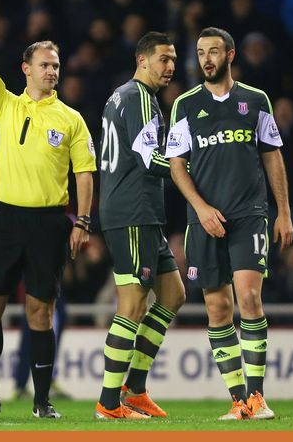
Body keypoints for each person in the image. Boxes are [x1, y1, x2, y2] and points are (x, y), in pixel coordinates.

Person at [0, 0, 97, 418]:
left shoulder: (71, 118)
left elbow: (85, 174)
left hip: (50, 222)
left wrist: (83, 222)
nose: (52, 71)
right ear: (26, 70)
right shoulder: (6, 103)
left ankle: (41, 401)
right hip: (4, 220)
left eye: (55, 65)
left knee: (41, 309)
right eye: (45, 65)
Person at [166, 27, 293, 420]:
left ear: (230, 55)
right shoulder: (185, 105)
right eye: (201, 52)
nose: (206, 59)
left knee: (249, 297)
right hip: (203, 220)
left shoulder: (256, 100)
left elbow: (272, 155)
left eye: (214, 51)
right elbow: (176, 166)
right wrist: (201, 208)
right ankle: (238, 400)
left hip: (249, 214)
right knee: (217, 308)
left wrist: (283, 211)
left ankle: (257, 398)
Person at [95, 32, 185, 420]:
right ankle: (109, 402)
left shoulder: (121, 96)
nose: (170, 67)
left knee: (173, 293)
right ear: (143, 60)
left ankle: (135, 389)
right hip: (133, 212)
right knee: (132, 305)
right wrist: (189, 169)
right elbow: (150, 161)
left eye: (173, 60)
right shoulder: (140, 98)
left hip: (141, 212)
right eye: (163, 59)